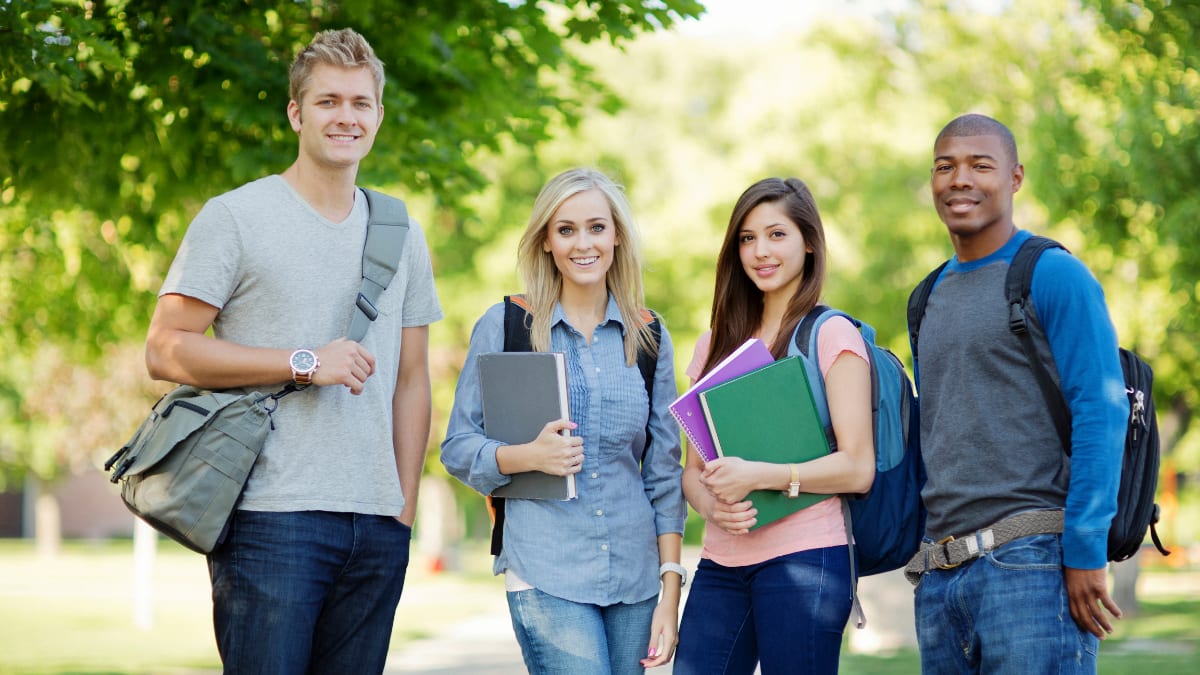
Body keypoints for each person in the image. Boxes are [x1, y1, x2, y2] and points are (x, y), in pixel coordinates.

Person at [144, 28, 442, 673]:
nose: (346, 116)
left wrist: (403, 506)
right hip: (269, 518)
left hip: (376, 523)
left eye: (361, 103)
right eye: (328, 101)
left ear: (379, 116)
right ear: (296, 112)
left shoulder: (401, 230)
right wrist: (303, 361)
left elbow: (412, 378)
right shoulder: (235, 217)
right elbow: (166, 349)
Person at [904, 113, 1127, 674]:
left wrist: (1084, 551)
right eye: (945, 166)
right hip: (940, 575)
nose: (960, 180)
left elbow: (1101, 410)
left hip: (1032, 569)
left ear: (1015, 178)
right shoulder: (926, 295)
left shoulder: (1052, 275)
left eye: (981, 165)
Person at [440, 167, 686, 673]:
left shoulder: (649, 335)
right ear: (546, 242)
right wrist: (526, 456)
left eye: (597, 227)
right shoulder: (508, 324)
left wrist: (670, 590)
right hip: (543, 564)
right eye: (566, 229)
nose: (583, 243)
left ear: (617, 236)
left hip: (636, 574)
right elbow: (458, 446)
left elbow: (664, 473)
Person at [674, 177, 875, 674]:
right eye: (747, 238)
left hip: (806, 561)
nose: (760, 251)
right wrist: (712, 509)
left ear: (808, 243)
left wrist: (763, 475)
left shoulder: (831, 334)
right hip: (722, 563)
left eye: (776, 235)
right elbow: (691, 471)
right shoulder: (714, 344)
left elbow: (857, 467)